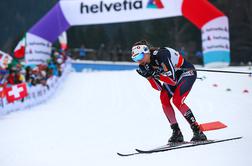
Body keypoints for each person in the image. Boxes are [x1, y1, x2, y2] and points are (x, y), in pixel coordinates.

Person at [131, 40, 207, 143]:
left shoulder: (162, 55)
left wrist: (155, 74)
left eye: (139, 57)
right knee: (164, 98)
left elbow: (173, 80)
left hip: (186, 72)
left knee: (177, 100)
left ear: (146, 52)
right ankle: (176, 132)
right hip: (171, 77)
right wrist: (149, 77)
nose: (139, 61)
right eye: (135, 59)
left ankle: (197, 131)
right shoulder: (143, 65)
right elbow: (158, 88)